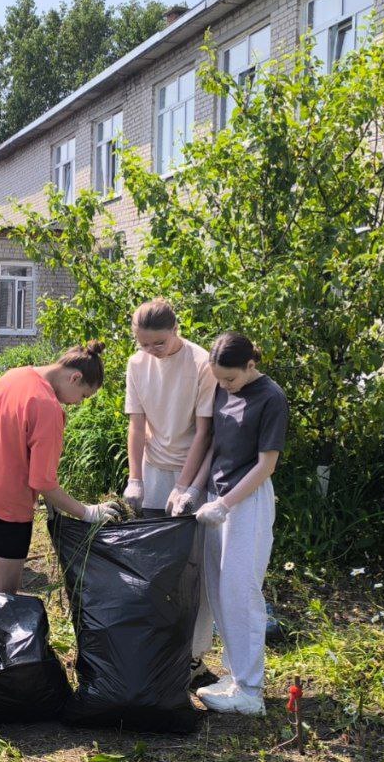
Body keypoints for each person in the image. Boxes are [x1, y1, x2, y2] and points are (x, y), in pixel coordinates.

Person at [0, 341, 123, 594]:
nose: (79, 403)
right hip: (8, 507)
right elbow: (42, 483)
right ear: (75, 377)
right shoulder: (47, 407)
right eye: (83, 396)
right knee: (3, 596)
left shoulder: (13, 375)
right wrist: (86, 513)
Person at [122, 298, 218, 684]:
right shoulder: (137, 364)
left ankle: (193, 657)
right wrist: (136, 479)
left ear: (176, 329)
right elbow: (136, 425)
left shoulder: (201, 363)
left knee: (194, 567)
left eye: (158, 344)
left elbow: (205, 431)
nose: (150, 351)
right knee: (154, 568)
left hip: (192, 474)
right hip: (153, 469)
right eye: (142, 343)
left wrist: (185, 485)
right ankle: (158, 649)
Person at [191, 334, 288, 716]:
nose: (225, 386)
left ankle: (251, 691)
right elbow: (215, 443)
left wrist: (227, 504)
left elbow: (266, 465)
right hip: (217, 495)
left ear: (250, 365)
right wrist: (194, 489)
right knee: (218, 590)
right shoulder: (221, 387)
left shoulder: (271, 397)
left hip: (247, 501)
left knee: (241, 591)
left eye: (230, 379)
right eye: (220, 380)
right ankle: (233, 675)